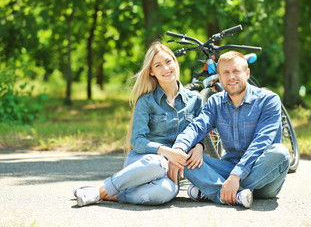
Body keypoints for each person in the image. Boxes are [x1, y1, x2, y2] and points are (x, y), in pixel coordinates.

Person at [73, 41, 204, 206]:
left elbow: (200, 132)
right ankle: (100, 191)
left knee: (166, 191)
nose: (166, 68)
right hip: (144, 162)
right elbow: (137, 140)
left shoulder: (195, 100)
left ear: (175, 62)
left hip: (170, 172)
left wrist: (199, 147)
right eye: (158, 65)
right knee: (159, 162)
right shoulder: (146, 101)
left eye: (168, 62)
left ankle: (110, 194)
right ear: (151, 72)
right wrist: (167, 153)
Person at [170, 51, 290, 208]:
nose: (231, 77)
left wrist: (236, 175)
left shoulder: (269, 100)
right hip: (228, 168)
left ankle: (214, 191)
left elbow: (263, 142)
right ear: (219, 78)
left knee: (280, 153)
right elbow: (197, 126)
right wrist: (179, 149)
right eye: (226, 73)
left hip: (263, 176)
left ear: (247, 73)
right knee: (183, 158)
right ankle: (235, 195)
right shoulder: (215, 102)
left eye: (236, 71)